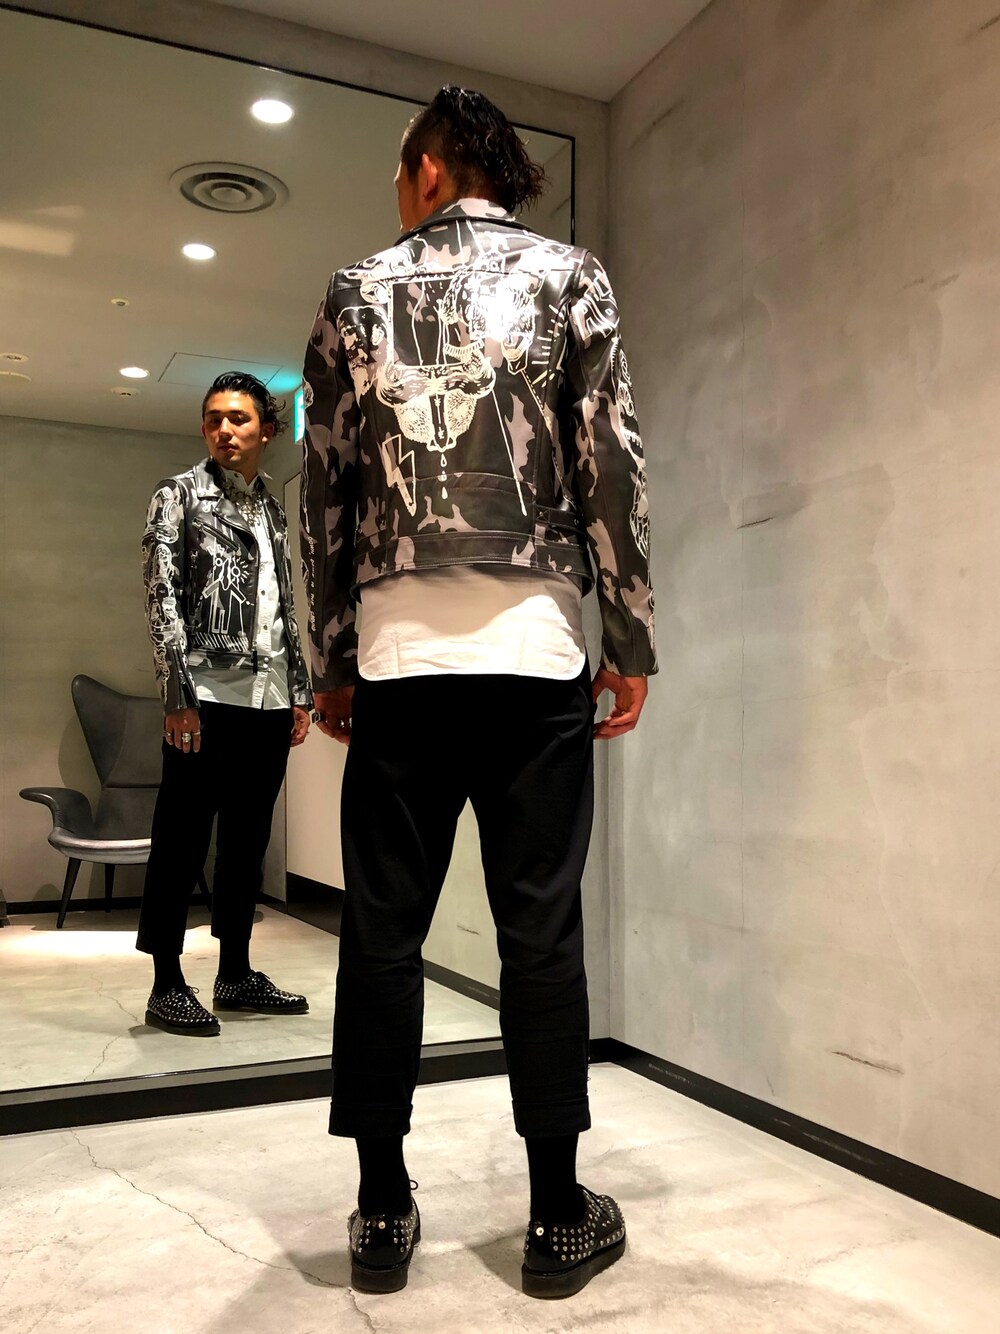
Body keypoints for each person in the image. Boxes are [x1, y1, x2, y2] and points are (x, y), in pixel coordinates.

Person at [301, 87, 655, 1298]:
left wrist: (331, 657)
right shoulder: (571, 276)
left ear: (430, 167)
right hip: (536, 651)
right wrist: (630, 635)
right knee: (538, 932)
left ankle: (380, 1210)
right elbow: (611, 462)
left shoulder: (354, 290)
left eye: (399, 173)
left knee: (381, 937)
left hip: (400, 660)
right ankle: (556, 1215)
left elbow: (327, 489)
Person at [138, 371, 313, 1036]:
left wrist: (298, 690)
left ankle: (235, 973)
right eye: (214, 418)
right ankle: (166, 983)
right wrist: (176, 696)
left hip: (269, 700)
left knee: (247, 843)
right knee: (180, 841)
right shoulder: (178, 495)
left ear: (267, 430)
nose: (224, 430)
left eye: (238, 418)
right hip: (204, 699)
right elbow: (161, 599)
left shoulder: (272, 508)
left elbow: (281, 606)